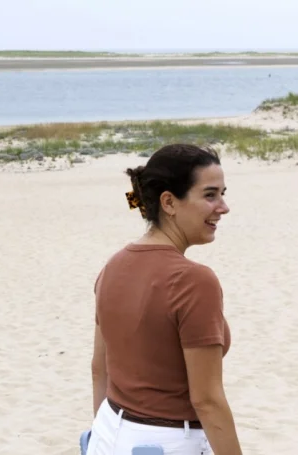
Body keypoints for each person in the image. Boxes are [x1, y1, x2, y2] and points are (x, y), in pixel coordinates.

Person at [85, 144, 242, 454]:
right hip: (168, 443)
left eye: (223, 193)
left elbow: (99, 369)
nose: (223, 207)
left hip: (108, 431)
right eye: (210, 195)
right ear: (169, 202)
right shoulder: (194, 280)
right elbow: (206, 400)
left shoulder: (113, 265)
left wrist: (104, 436)